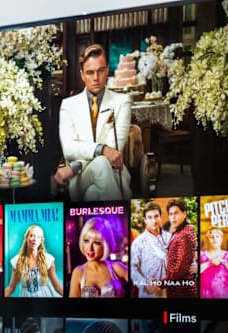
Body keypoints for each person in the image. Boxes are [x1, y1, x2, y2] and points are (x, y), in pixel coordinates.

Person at [55, 43, 133, 201]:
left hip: (112, 173)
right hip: (80, 177)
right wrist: (102, 149)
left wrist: (74, 166)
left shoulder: (122, 101)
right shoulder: (68, 105)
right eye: (90, 73)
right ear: (82, 75)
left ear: (107, 70)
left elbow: (114, 150)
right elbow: (69, 149)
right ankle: (123, 212)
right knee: (101, 163)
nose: (96, 78)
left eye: (101, 71)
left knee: (93, 193)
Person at [69, 217, 128, 298]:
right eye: (86, 241)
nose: (89, 248)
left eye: (96, 243)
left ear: (105, 245)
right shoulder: (78, 272)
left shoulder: (116, 268)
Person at [4, 224, 63, 297]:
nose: (35, 239)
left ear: (41, 241)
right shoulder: (17, 261)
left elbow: (58, 288)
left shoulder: (48, 260)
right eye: (31, 235)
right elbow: (11, 288)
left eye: (38, 237)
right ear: (26, 238)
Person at [130, 202, 171, 297]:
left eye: (156, 216)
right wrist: (144, 284)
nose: (154, 221)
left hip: (170, 291)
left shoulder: (170, 238)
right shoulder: (138, 242)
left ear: (161, 217)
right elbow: (132, 269)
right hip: (149, 294)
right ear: (145, 220)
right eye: (150, 217)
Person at [164, 198, 198, 298]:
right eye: (170, 214)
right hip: (177, 288)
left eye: (176, 213)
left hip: (183, 291)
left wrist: (160, 283)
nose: (173, 217)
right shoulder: (179, 232)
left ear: (184, 214)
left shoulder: (184, 235)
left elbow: (180, 271)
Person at [199, 228, 228, 298]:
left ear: (221, 239)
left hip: (226, 295)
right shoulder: (201, 255)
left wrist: (223, 262)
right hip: (205, 295)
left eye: (217, 236)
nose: (215, 239)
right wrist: (209, 262)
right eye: (211, 237)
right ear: (207, 240)